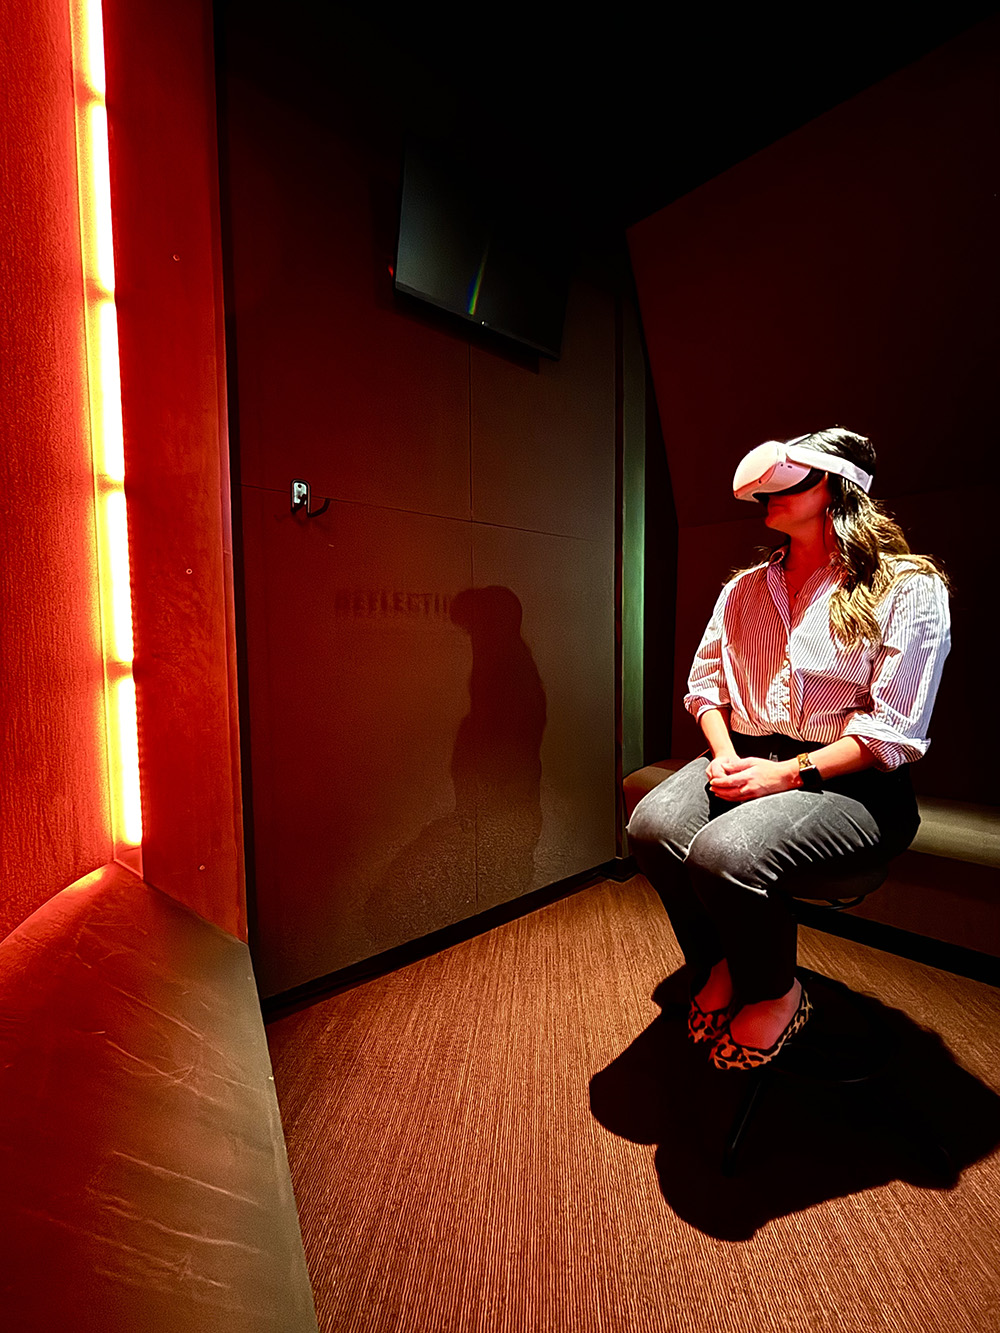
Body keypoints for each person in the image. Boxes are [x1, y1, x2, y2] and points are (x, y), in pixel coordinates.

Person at [626, 428, 950, 1070]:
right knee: (653, 826)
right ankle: (720, 960)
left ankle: (778, 993)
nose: (765, 495)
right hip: (748, 751)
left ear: (832, 485)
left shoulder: (907, 587)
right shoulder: (746, 586)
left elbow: (892, 731)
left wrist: (787, 774)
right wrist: (720, 752)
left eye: (791, 479)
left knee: (726, 853)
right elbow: (706, 682)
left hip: (850, 777)